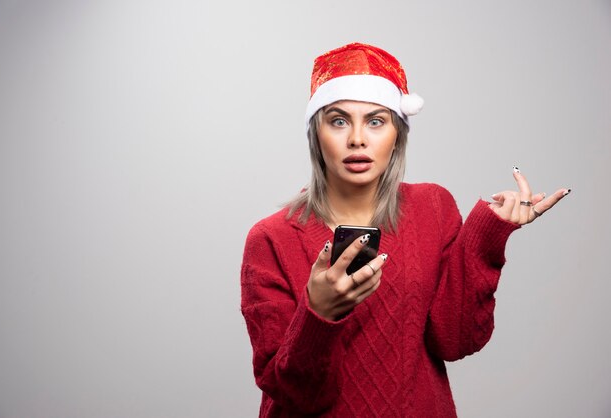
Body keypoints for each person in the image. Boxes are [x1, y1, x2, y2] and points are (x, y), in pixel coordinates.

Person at [240, 43, 569, 417]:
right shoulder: (270, 239)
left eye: (376, 121)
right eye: (338, 120)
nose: (358, 139)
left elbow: (455, 340)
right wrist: (319, 313)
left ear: (398, 132)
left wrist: (487, 234)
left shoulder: (432, 208)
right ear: (316, 133)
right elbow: (294, 395)